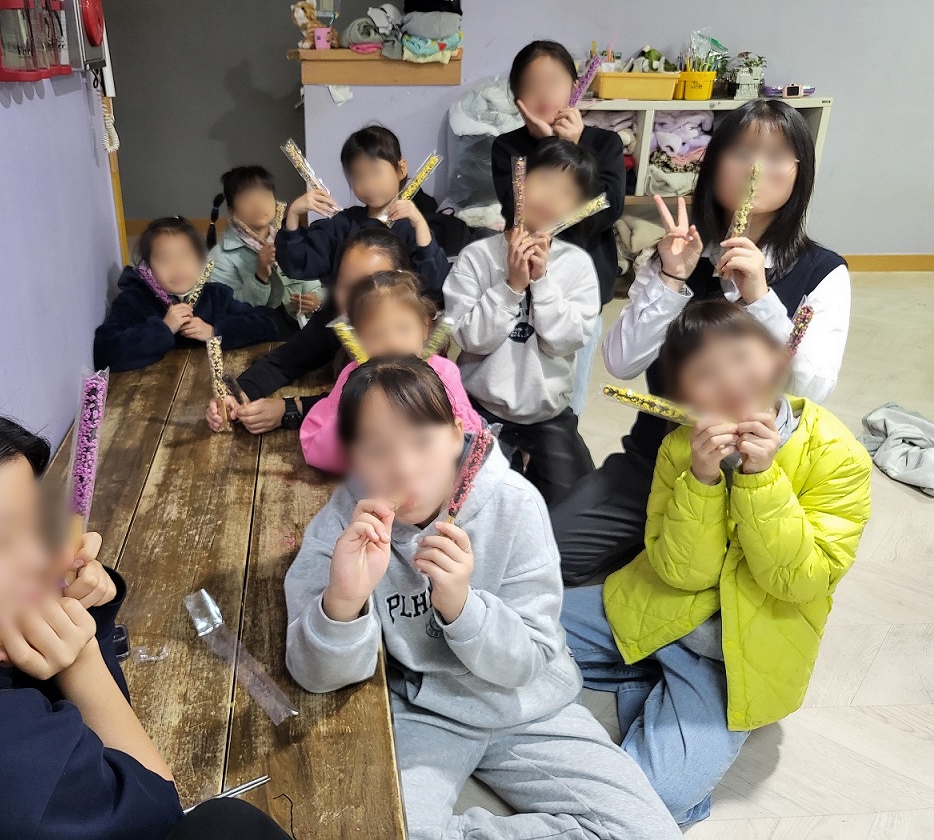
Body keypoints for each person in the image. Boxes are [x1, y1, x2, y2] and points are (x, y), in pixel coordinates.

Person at [0, 400, 290, 840]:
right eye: (0, 539)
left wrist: (78, 615)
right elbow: (153, 808)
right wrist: (81, 659)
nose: (44, 558)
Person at [284, 357, 679, 840]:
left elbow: (530, 659)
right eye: (376, 450)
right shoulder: (344, 523)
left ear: (456, 434)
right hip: (425, 709)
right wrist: (343, 602)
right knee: (383, 828)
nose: (403, 468)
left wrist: (463, 607)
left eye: (421, 441)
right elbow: (315, 677)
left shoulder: (513, 504)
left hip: (529, 706)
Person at [561, 301, 872, 825]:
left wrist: (761, 479)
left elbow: (801, 581)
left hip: (732, 658)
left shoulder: (839, 457)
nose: (728, 381)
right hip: (654, 608)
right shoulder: (681, 447)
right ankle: (647, 681)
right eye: (705, 374)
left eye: (741, 358)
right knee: (517, 626)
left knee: (652, 798)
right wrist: (701, 481)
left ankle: (650, 688)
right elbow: (682, 572)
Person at [552, 98, 852, 584]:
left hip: (754, 473)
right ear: (714, 165)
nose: (756, 168)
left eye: (776, 155)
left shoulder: (823, 272)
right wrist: (673, 278)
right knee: (547, 555)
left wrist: (760, 298)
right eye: (742, 152)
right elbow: (621, 363)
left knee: (720, 585)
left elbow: (812, 389)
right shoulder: (678, 252)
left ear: (799, 172)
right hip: (659, 459)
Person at [445, 138, 600, 507]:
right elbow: (472, 339)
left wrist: (541, 281)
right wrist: (511, 286)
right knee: (475, 505)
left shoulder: (577, 265)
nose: (551, 197)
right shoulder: (476, 258)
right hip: (479, 408)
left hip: (548, 413)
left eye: (568, 193)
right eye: (544, 180)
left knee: (574, 508)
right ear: (519, 181)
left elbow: (566, 340)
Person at [491, 40, 627, 415]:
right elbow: (522, 211)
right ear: (517, 97)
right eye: (531, 85)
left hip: (581, 287)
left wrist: (569, 146)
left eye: (553, 82)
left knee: (567, 393)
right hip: (523, 279)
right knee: (516, 384)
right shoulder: (507, 147)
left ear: (574, 87)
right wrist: (551, 146)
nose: (544, 94)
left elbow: (605, 211)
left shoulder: (605, 143)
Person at [205, 227, 418, 435]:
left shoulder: (409, 336)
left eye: (366, 288)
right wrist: (236, 394)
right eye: (344, 283)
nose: (352, 299)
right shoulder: (335, 316)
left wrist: (290, 409)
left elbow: (374, 403)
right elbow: (285, 362)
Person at [300, 270, 483, 473]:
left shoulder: (444, 373)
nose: (392, 343)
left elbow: (469, 439)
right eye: (377, 334)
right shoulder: (352, 378)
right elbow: (316, 450)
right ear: (358, 340)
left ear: (424, 327)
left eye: (403, 328)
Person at [94, 217, 287, 372]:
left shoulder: (215, 296)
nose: (177, 266)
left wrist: (214, 332)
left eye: (185, 256)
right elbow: (105, 352)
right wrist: (164, 328)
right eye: (164, 259)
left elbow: (269, 322)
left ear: (201, 261)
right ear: (148, 267)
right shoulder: (135, 300)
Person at [276, 125, 449, 294]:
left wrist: (420, 224)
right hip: (346, 312)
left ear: (401, 169)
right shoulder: (343, 224)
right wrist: (294, 213)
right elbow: (296, 264)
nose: (368, 184)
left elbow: (433, 284)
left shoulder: (411, 227)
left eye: (375, 172)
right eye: (358, 176)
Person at [206, 165, 323, 332]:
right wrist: (260, 276)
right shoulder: (219, 257)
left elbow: (318, 286)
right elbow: (230, 313)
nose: (258, 205)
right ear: (232, 209)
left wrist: (316, 300)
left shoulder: (290, 242)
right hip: (259, 339)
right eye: (248, 199)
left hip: (303, 332)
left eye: (264, 196)